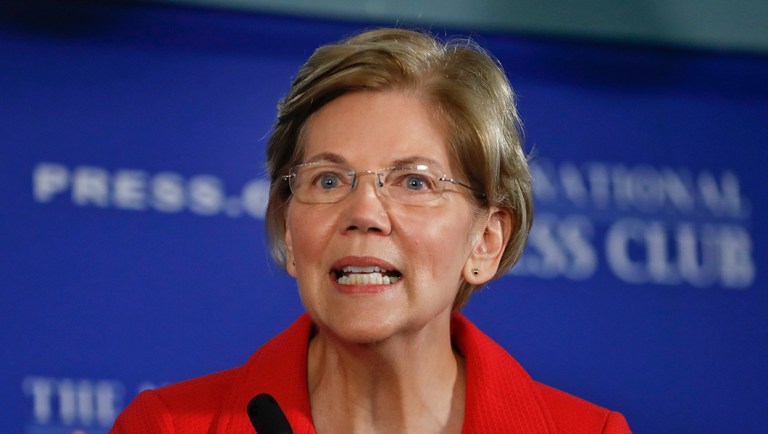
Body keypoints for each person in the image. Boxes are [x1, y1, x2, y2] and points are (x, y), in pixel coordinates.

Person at [111, 27, 631, 433]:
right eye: (329, 179)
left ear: (486, 240)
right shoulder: (165, 427)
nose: (365, 212)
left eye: (413, 181)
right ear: (290, 232)